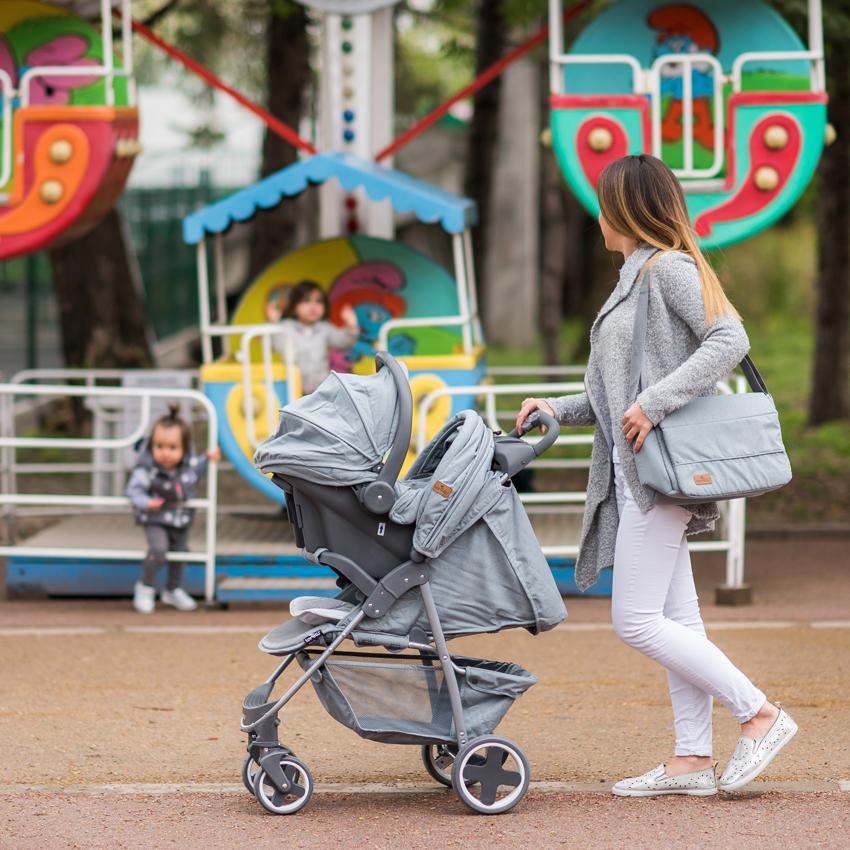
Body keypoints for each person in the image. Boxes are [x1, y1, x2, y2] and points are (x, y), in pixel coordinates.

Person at [516, 154, 797, 797]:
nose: (597, 214)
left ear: (628, 209)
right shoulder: (629, 279)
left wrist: (655, 402)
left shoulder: (666, 269)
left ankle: (758, 713)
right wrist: (554, 409)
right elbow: (616, 394)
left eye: (604, 202)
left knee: (636, 620)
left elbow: (729, 340)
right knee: (680, 621)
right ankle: (693, 759)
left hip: (660, 473)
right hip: (638, 470)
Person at [126, 404, 220, 614]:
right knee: (158, 550)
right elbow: (133, 491)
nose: (165, 453)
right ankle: (145, 587)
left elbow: (198, 469)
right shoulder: (146, 469)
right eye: (159, 446)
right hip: (155, 517)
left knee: (181, 553)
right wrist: (146, 502)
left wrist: (209, 457)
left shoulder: (187, 468)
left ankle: (173, 589)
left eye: (172, 447)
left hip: (180, 518)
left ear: (184, 449)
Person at [265, 280, 360, 394]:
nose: (313, 306)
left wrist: (351, 327)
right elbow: (279, 345)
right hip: (292, 388)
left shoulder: (325, 328)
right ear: (294, 306)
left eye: (318, 301)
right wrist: (273, 324)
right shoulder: (286, 326)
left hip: (321, 389)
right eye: (306, 301)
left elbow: (343, 341)